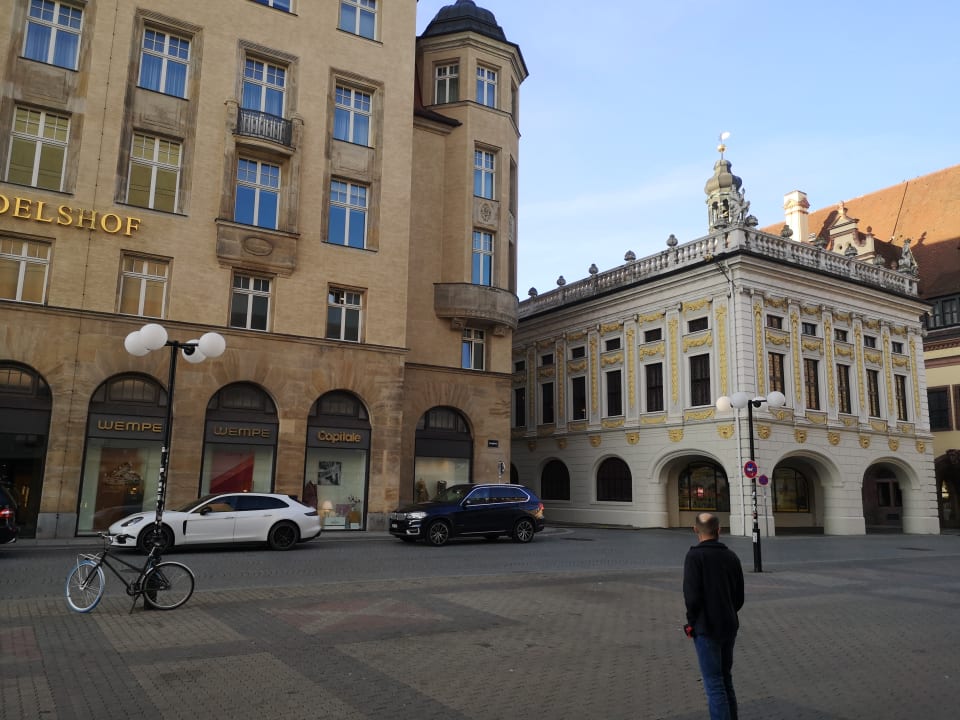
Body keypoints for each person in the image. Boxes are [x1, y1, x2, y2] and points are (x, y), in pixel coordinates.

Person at [682, 512, 745, 720]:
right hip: (728, 625)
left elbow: (692, 597)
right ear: (719, 531)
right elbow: (739, 597)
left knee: (714, 684)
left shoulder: (694, 557)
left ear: (695, 530)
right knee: (725, 679)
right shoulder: (732, 556)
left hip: (706, 627)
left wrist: (692, 622)